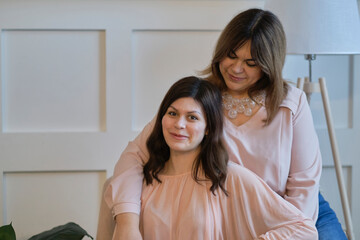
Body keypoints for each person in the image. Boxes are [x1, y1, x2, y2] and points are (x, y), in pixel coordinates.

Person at [102, 8, 346, 240]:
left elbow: (303, 186)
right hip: (228, 212)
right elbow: (134, 157)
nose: (237, 68)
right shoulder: (198, 99)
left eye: (251, 63)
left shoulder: (291, 103)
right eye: (231, 55)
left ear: (268, 64)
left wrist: (287, 230)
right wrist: (127, 223)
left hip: (292, 209)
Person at [142, 76, 317, 239]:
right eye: (172, 114)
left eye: (192, 117)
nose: (179, 124)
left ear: (208, 128)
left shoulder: (231, 178)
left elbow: (303, 229)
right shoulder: (143, 179)